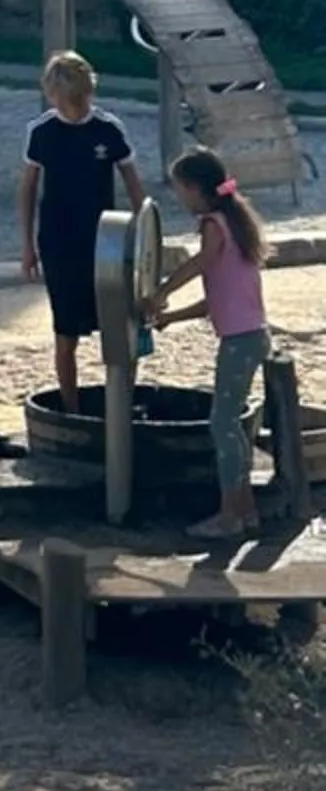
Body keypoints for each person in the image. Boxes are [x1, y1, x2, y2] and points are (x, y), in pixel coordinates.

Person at [148, 145, 272, 541]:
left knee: (223, 424)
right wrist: (170, 317)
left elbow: (199, 263)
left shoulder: (213, 225)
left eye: (180, 190)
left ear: (194, 188)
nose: (179, 198)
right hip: (251, 335)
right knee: (231, 424)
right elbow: (214, 300)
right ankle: (246, 511)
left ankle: (230, 514)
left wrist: (161, 291)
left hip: (240, 339)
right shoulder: (235, 222)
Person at [20, 50, 147, 411]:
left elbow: (134, 186)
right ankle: (71, 409)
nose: (73, 107)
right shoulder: (41, 132)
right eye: (64, 100)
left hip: (105, 241)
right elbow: (28, 189)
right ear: (52, 96)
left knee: (118, 328)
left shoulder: (108, 129)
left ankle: (120, 402)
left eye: (78, 99)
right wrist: (27, 245)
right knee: (65, 332)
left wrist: (146, 234)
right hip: (58, 242)